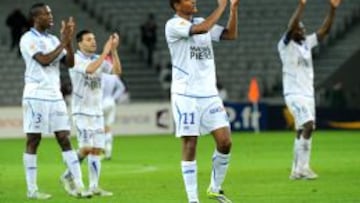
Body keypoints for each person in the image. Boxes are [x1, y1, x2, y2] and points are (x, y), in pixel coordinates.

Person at [165, 0, 239, 202]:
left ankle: (215, 188)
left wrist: (233, 9)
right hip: (186, 94)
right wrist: (221, 7)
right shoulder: (173, 25)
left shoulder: (200, 21)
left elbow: (230, 35)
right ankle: (192, 199)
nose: (194, 0)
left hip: (209, 93)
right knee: (190, 142)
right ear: (177, 5)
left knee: (225, 142)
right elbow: (201, 29)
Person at [20, 3, 90, 199]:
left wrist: (67, 42)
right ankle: (32, 190)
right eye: (46, 14)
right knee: (34, 139)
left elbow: (70, 63)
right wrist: (63, 41)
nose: (51, 17)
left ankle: (79, 185)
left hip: (55, 94)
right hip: (35, 94)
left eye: (51, 13)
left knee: (64, 137)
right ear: (36, 17)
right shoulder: (27, 39)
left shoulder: (52, 39)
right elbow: (43, 60)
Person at [277, 0, 341, 180]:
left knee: (301, 130)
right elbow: (291, 26)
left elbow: (324, 31)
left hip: (307, 94)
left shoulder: (305, 45)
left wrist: (332, 9)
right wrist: (302, 6)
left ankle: (295, 170)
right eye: (300, 29)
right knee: (308, 125)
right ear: (293, 31)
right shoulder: (284, 45)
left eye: (304, 30)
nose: (304, 32)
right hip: (294, 94)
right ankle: (303, 168)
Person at [60, 30, 122, 196]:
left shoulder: (97, 59)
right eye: (88, 39)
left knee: (97, 150)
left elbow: (116, 71)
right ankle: (67, 175)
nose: (93, 42)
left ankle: (94, 186)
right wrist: (105, 52)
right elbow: (90, 70)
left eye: (94, 39)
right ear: (80, 43)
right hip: (81, 111)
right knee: (86, 148)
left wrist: (114, 50)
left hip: (97, 111)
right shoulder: (76, 59)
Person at [101, 73, 126, 160]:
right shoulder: (114, 77)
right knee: (108, 127)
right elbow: (122, 88)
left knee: (99, 128)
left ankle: (100, 151)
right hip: (111, 102)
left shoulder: (100, 75)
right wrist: (114, 98)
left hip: (101, 102)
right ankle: (108, 152)